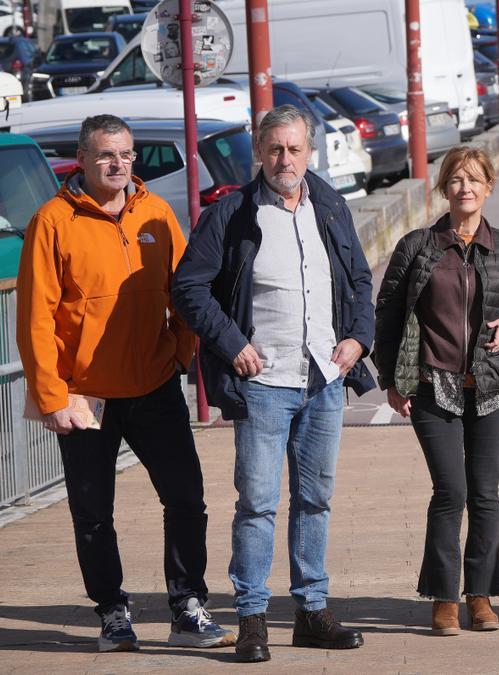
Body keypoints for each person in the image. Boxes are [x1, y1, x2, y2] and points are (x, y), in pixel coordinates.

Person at [15, 114, 233, 653]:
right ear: (82, 160)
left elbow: (187, 290)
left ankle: (187, 607)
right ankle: (112, 612)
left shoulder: (156, 213)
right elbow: (35, 318)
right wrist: (51, 396)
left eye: (126, 154)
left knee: (187, 499)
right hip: (84, 395)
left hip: (155, 385)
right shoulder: (52, 221)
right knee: (93, 513)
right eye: (106, 155)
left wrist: (179, 353)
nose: (118, 164)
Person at [171, 104, 375, 663]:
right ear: (259, 151)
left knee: (315, 499)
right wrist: (232, 343)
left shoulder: (329, 205)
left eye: (295, 149)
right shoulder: (232, 213)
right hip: (263, 382)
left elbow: (359, 279)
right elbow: (189, 287)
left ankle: (312, 611)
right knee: (257, 504)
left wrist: (358, 339)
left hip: (323, 378)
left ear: (310, 151)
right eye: (275, 149)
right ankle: (253, 618)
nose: (286, 159)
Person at [372, 146, 499, 636]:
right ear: (444, 188)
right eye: (455, 179)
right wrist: (391, 379)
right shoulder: (418, 246)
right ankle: (444, 598)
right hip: (432, 386)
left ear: (489, 186)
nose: (465, 188)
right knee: (451, 491)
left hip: (491, 387)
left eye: (473, 179)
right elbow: (387, 312)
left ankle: (481, 596)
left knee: (485, 493)